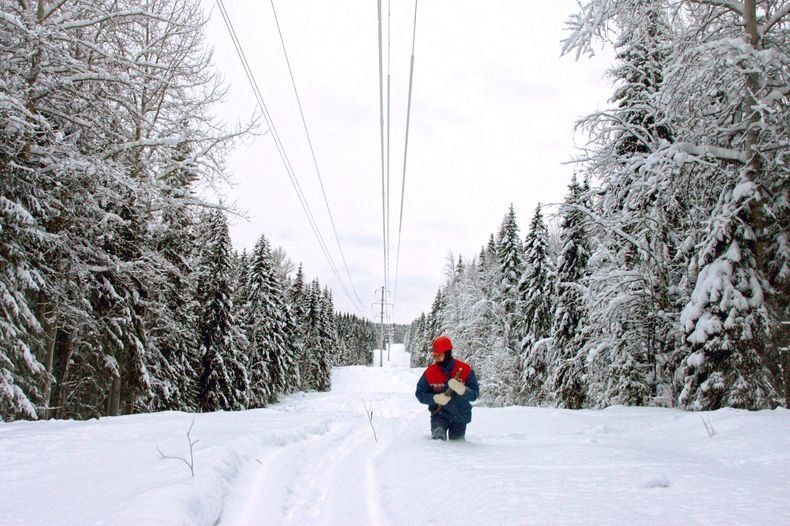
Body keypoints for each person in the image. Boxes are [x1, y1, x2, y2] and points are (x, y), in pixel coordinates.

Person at [415, 335, 479, 440]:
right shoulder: (430, 373)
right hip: (439, 415)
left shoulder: (465, 370)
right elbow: (420, 393)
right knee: (438, 444)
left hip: (460, 416)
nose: (436, 358)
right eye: (434, 356)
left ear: (448, 353)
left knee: (457, 446)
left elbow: (474, 394)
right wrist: (435, 398)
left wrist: (462, 390)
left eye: (439, 355)